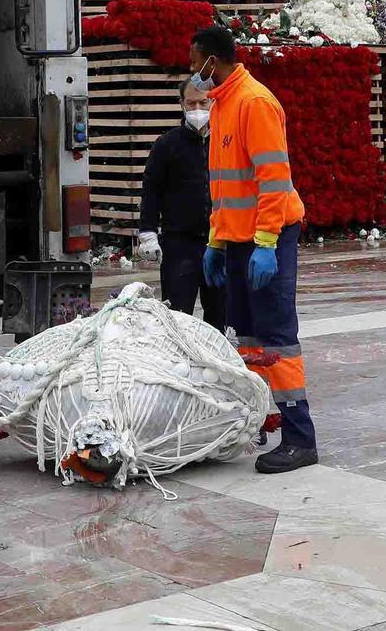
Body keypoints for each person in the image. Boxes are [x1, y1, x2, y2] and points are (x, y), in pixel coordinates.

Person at [189, 23, 317, 474]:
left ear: (213, 59)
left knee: (277, 338)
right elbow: (225, 189)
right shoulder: (223, 105)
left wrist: (265, 244)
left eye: (194, 62)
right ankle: (263, 419)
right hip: (239, 241)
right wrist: (216, 242)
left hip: (269, 238)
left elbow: (274, 181)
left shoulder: (255, 102)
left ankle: (300, 439)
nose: (192, 72)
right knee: (245, 336)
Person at [135, 79, 220, 329]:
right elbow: (152, 189)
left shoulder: (225, 142)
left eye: (203, 102)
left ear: (213, 101)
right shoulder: (167, 145)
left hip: (221, 241)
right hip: (180, 244)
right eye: (191, 102)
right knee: (176, 317)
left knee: (221, 317)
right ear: (181, 104)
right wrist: (148, 232)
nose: (197, 109)